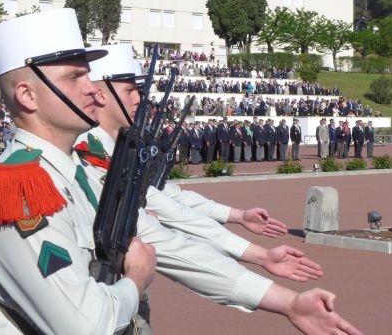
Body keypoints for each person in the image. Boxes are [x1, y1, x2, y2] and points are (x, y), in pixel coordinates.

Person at [76, 43, 361, 335]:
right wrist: (270, 277)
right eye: (129, 90)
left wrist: (242, 227)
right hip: (100, 304)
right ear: (100, 94)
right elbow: (167, 226)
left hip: (121, 297)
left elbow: (170, 201)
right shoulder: (87, 155)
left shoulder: (110, 149)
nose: (140, 98)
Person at [0, 9, 157, 334]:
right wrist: (137, 278)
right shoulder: (23, 189)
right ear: (27, 95)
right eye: (74, 77)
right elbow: (86, 326)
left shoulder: (72, 172)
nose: (94, 90)